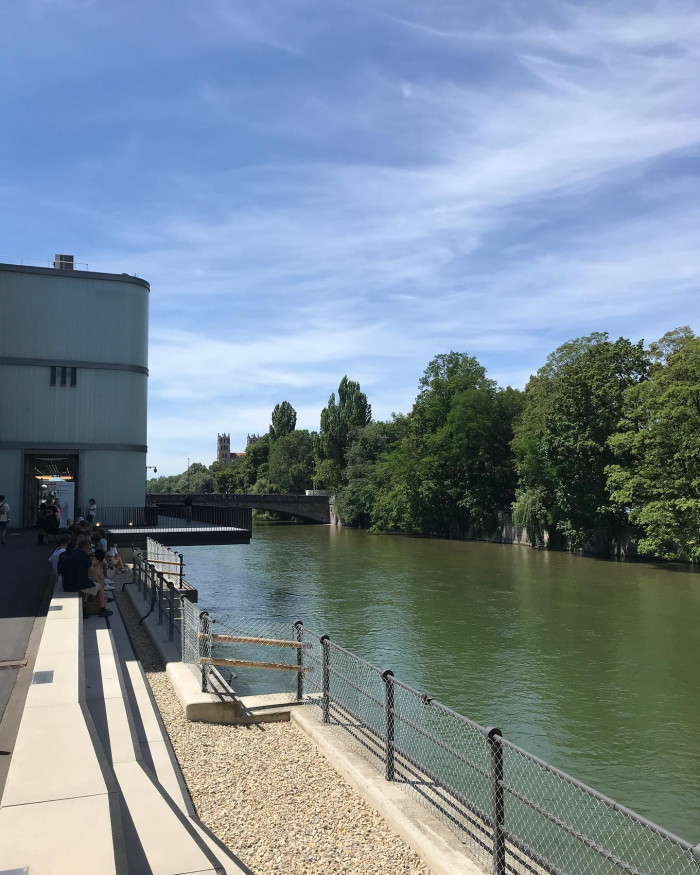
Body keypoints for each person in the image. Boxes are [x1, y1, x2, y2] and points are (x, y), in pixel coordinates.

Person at [58, 537, 112, 617]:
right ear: (86, 548)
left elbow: (60, 571)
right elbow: (93, 571)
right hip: (79, 584)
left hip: (67, 584)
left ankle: (84, 608)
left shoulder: (64, 556)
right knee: (100, 588)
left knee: (88, 585)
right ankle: (102, 610)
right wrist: (101, 582)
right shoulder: (84, 556)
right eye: (89, 548)